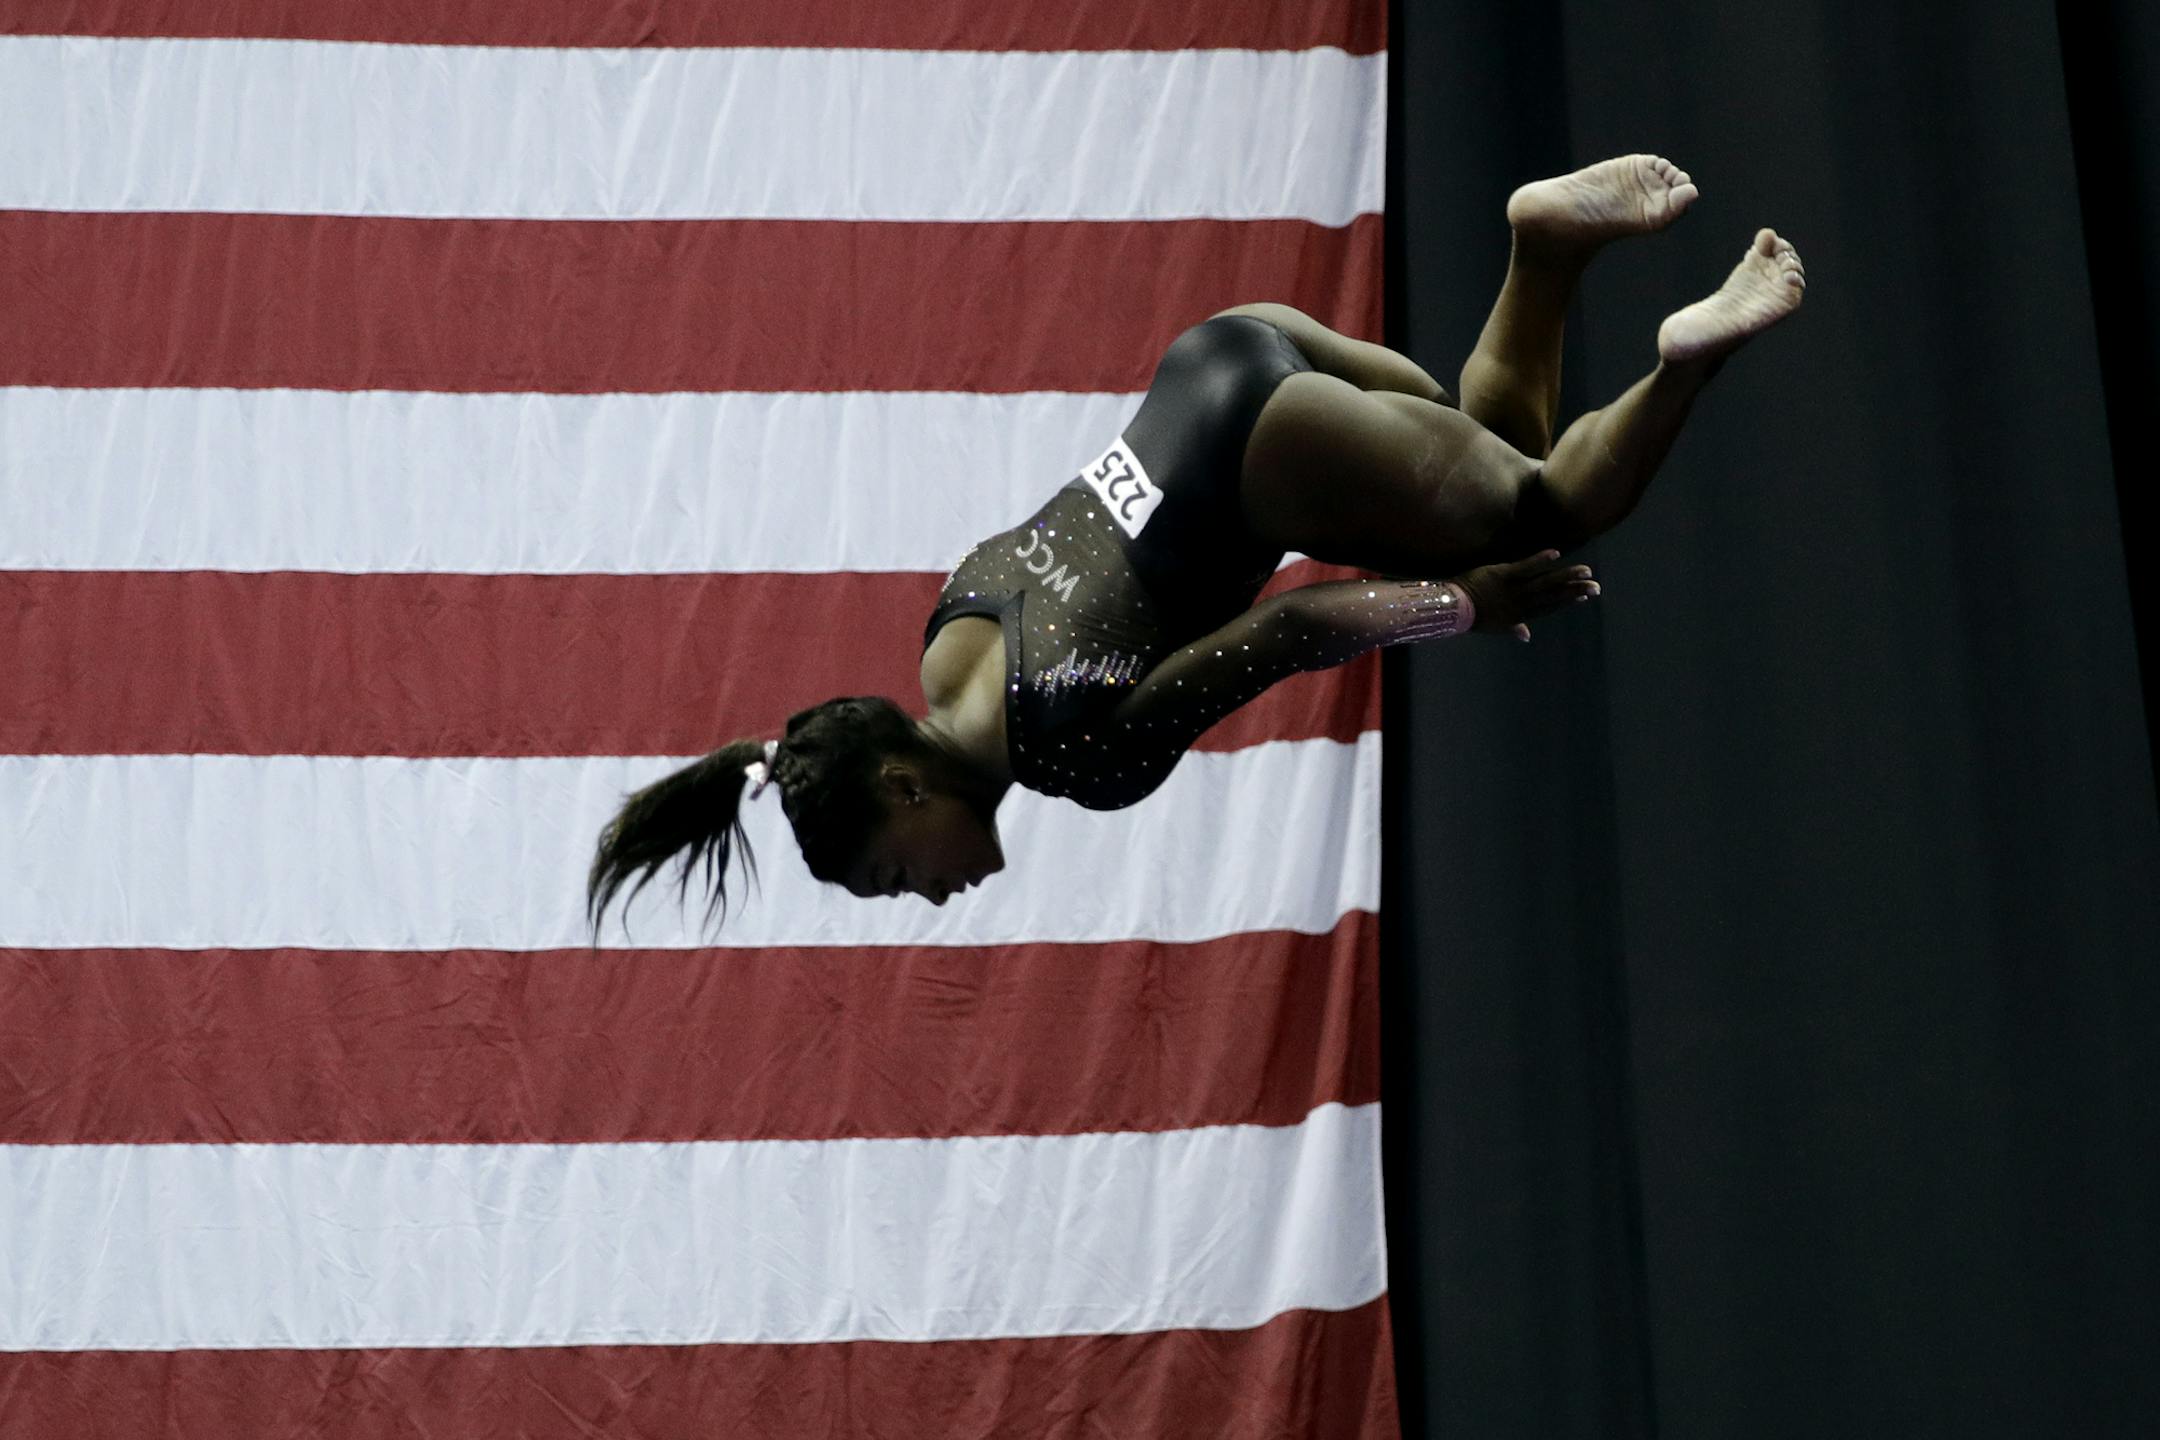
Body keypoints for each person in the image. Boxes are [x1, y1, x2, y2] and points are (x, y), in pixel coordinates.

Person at [587, 154, 1805, 929]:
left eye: (899, 876)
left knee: (1544, 511)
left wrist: (1465, 607)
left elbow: (1293, 626)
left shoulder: (1074, 754)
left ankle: (1685, 356)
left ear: (903, 788)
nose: (931, 896)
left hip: (1255, 457)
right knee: (1485, 450)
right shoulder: (944, 633)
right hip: (1222, 356)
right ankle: (1546, 244)